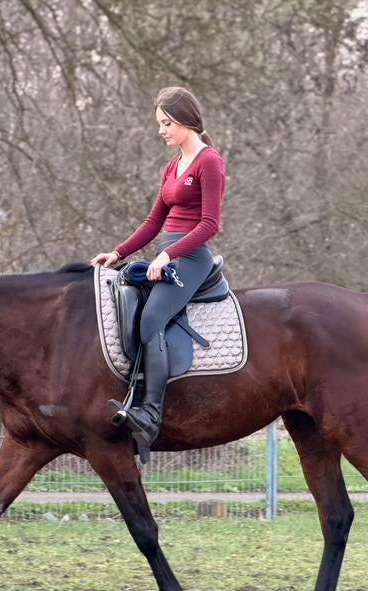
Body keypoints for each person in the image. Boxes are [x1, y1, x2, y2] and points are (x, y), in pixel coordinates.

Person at [91, 86, 226, 453]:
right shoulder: (171, 166)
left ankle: (150, 413)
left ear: (185, 120)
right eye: (160, 124)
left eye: (166, 123)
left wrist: (167, 256)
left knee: (152, 318)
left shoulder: (208, 162)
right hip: (168, 254)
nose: (161, 130)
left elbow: (210, 224)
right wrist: (116, 253)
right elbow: (153, 222)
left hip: (192, 258)